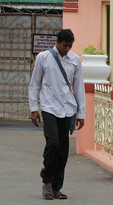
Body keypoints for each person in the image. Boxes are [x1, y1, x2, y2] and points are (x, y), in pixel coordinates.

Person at [28, 28, 85, 201]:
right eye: (65, 45)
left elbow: (79, 87)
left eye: (70, 45)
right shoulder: (43, 58)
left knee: (63, 150)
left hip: (68, 108)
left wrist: (81, 113)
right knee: (53, 143)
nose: (67, 48)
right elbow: (35, 83)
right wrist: (33, 109)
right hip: (49, 107)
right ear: (58, 42)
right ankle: (47, 181)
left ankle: (56, 187)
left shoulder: (75, 60)